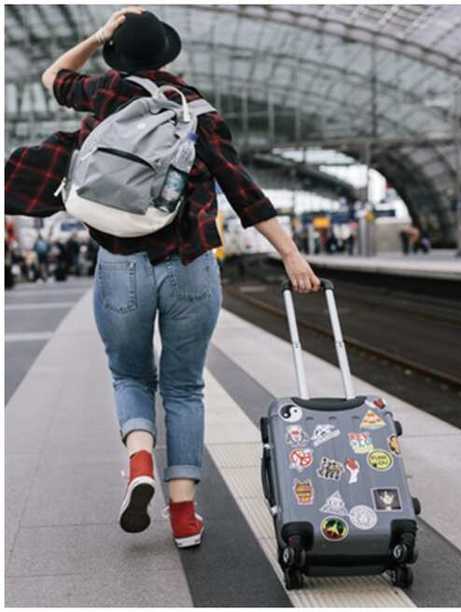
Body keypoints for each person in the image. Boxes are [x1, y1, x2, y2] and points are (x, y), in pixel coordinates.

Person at [4, 7, 321, 550]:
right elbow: (243, 189)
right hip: (191, 265)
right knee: (184, 387)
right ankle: (182, 516)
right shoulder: (198, 110)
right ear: (166, 57)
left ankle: (140, 461)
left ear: (117, 56)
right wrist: (291, 255)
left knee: (130, 377)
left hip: (121, 263)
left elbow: (51, 75)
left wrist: (99, 34)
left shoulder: (105, 94)